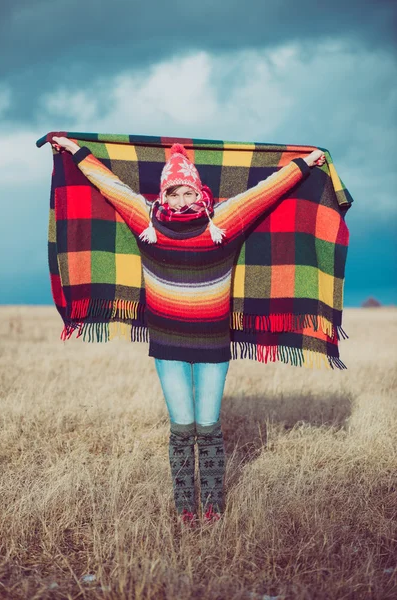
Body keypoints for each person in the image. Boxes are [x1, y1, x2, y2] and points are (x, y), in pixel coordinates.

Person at [51, 135, 325, 528]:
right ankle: (185, 510)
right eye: (173, 193)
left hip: (213, 343)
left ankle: (212, 507)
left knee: (208, 427)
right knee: (182, 428)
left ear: (200, 192)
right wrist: (72, 149)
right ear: (163, 195)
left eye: (187, 192)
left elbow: (265, 192)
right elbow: (108, 183)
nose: (180, 201)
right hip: (167, 345)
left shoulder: (224, 222)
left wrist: (305, 164)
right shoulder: (147, 221)